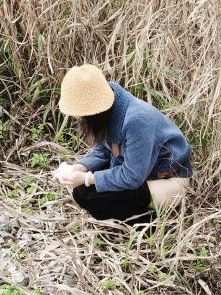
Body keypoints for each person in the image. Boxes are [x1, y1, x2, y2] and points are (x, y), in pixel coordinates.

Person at [53, 64, 193, 225]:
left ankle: (147, 224)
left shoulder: (137, 122)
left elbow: (132, 176)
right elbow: (105, 149)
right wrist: (80, 168)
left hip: (167, 179)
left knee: (96, 200)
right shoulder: (109, 109)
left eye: (79, 115)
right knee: (81, 192)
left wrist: (86, 178)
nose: (77, 118)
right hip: (139, 169)